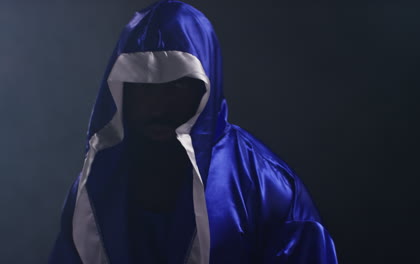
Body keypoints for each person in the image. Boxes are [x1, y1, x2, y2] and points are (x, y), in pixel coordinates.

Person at [49, 1, 338, 263]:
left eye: (176, 85)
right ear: (121, 92)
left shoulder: (267, 189)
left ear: (205, 86)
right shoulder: (95, 188)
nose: (158, 105)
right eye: (143, 87)